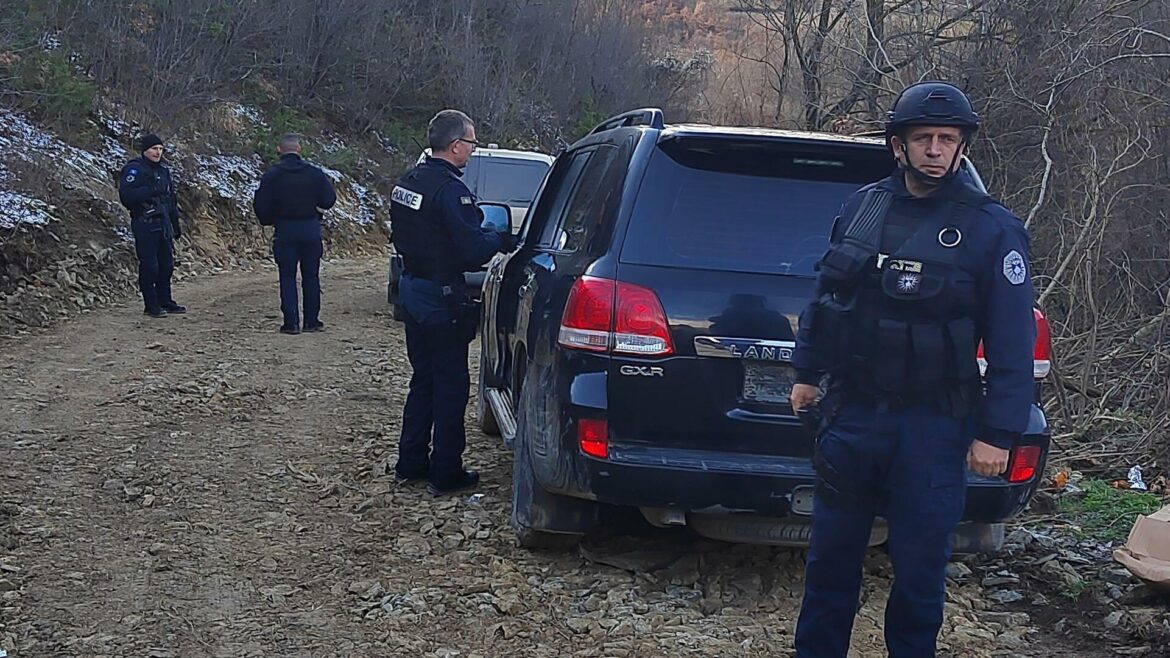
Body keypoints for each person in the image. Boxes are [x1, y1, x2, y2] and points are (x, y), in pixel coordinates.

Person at [790, 82, 1036, 658]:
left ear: (961, 148)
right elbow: (826, 300)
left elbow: (1012, 342)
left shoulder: (992, 229)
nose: (934, 149)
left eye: (946, 139)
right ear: (898, 145)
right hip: (852, 417)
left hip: (934, 425)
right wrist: (806, 372)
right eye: (922, 138)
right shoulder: (863, 207)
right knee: (829, 564)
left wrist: (998, 432)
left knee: (920, 574)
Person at [389, 109, 515, 496]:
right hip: (440, 296)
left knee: (422, 378)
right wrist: (499, 239)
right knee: (450, 384)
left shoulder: (407, 182)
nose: (473, 150)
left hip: (412, 290)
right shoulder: (450, 191)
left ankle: (410, 462)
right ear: (456, 145)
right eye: (472, 143)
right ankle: (445, 470)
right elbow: (472, 250)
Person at [252, 134, 337, 334]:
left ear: (279, 150)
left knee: (287, 276)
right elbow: (329, 200)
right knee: (311, 276)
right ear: (299, 149)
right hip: (310, 227)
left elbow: (261, 204)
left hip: (285, 229)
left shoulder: (273, 175)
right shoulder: (314, 173)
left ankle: (291, 323)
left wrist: (269, 219)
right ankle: (312, 321)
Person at [119, 134, 185, 318]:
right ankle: (151, 304)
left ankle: (166, 301)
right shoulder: (134, 170)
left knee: (167, 265)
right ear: (145, 150)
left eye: (160, 149)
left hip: (163, 223)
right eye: (154, 149)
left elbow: (170, 199)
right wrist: (150, 190)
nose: (158, 152)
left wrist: (175, 223)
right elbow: (127, 196)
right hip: (144, 223)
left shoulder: (163, 172)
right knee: (150, 266)